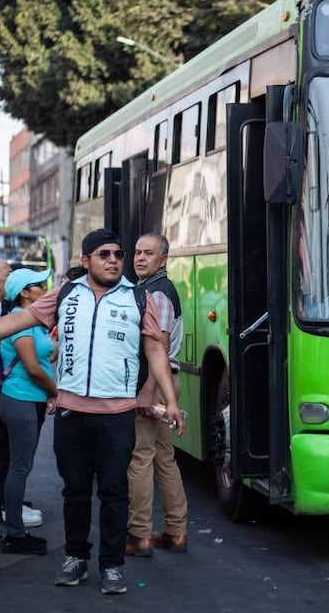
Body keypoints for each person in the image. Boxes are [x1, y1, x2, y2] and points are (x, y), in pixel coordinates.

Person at [0, 228, 184, 596]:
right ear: (86, 261)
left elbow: (156, 351)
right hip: (71, 412)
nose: (114, 260)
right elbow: (17, 321)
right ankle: (76, 558)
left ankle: (112, 565)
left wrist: (171, 401)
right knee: (76, 492)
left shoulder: (138, 297)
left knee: (115, 493)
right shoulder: (66, 294)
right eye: (104, 254)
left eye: (117, 254)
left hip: (117, 414)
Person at [127, 233, 189, 556]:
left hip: (156, 384)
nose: (139, 258)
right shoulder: (147, 289)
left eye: (148, 253)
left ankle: (139, 536)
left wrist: (148, 392)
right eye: (137, 252)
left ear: (162, 259)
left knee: (140, 458)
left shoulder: (158, 294)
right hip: (166, 384)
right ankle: (176, 532)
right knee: (165, 458)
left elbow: (159, 348)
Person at [0, 258, 44, 541]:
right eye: (6, 275)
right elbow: (29, 364)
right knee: (9, 461)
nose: (9, 279)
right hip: (3, 391)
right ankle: (3, 518)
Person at [0, 267, 57, 555]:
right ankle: (15, 534)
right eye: (40, 285)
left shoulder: (32, 321)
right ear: (24, 293)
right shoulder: (20, 323)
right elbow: (33, 368)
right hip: (20, 398)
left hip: (29, 398)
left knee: (20, 465)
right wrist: (55, 390)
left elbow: (45, 355)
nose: (45, 288)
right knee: (19, 467)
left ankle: (14, 527)